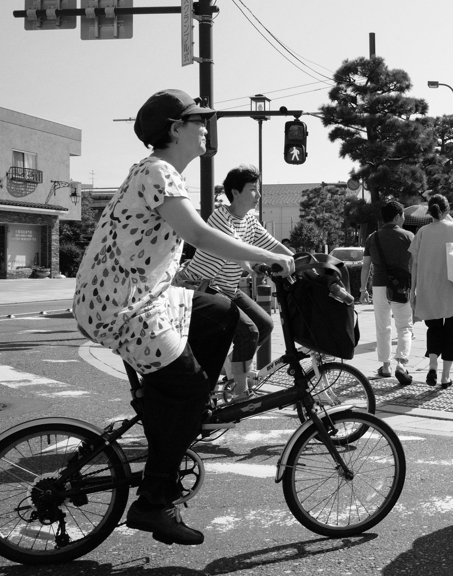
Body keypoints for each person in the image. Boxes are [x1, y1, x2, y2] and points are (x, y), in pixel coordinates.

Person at [73, 90, 294, 546]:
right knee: (190, 388)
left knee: (222, 311)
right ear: (176, 129)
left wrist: (280, 255)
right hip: (125, 304)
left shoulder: (162, 173)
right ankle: (154, 502)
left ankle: (180, 407)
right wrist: (268, 259)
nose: (206, 127)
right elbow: (199, 234)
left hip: (144, 294)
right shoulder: (158, 171)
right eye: (199, 120)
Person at [181, 164, 294, 399]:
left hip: (226, 289)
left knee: (264, 325)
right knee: (248, 332)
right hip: (202, 288)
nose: (259, 195)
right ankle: (241, 392)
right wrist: (256, 264)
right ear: (235, 193)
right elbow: (237, 250)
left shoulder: (250, 221)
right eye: (253, 189)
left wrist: (296, 261)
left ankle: (233, 372)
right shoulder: (221, 217)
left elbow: (272, 244)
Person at [408, 195, 453, 389]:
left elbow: (413, 263)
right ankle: (445, 377)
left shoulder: (421, 232)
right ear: (447, 210)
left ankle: (432, 365)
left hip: (428, 287)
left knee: (434, 329)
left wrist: (413, 290)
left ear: (429, 211)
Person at [360, 201, 414, 384]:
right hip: (401, 287)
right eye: (403, 215)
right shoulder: (408, 236)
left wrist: (362, 289)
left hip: (379, 287)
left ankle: (385, 367)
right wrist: (416, 288)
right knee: (405, 327)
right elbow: (415, 264)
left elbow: (366, 266)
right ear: (398, 217)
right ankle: (401, 363)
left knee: (383, 327)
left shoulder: (372, 238)